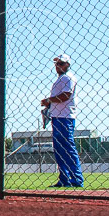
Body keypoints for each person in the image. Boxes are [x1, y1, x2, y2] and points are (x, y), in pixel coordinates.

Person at [41, 54, 82, 188]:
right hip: (58, 116)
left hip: (65, 117)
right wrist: (49, 104)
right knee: (59, 149)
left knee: (67, 147)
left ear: (67, 65)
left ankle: (76, 178)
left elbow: (66, 95)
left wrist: (49, 100)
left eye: (61, 64)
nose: (58, 66)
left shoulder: (68, 78)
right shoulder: (61, 79)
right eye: (57, 64)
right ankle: (64, 178)